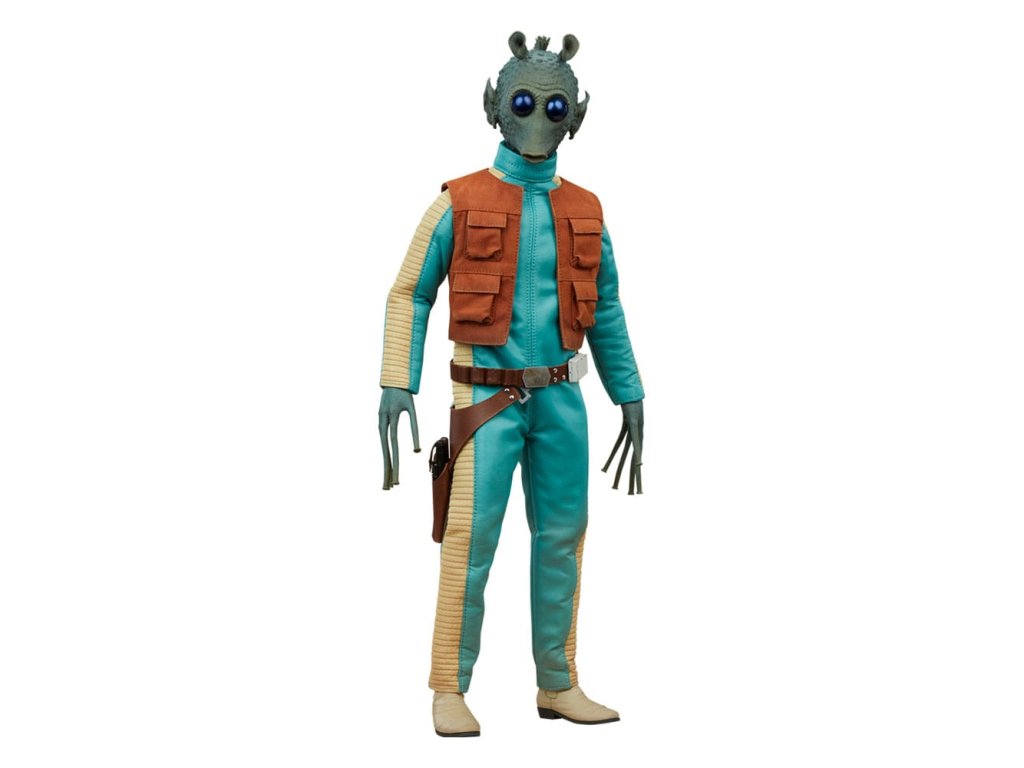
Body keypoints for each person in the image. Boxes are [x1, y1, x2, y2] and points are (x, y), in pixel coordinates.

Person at [377, 31, 645, 737]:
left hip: (562, 397)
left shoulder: (587, 209)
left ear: (575, 115)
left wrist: (629, 392)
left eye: (554, 107)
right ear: (494, 104)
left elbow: (608, 307)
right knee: (469, 535)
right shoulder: (457, 201)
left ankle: (558, 681)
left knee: (563, 535)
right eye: (524, 103)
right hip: (484, 398)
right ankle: (449, 685)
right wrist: (398, 379)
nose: (538, 119)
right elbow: (410, 292)